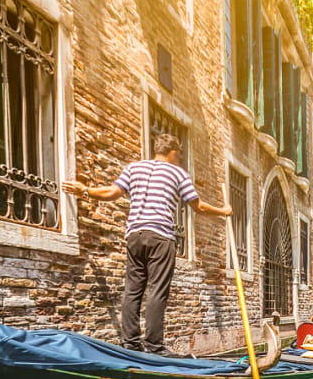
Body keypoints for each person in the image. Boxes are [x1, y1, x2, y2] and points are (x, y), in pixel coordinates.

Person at [61, 134, 231, 354]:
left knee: (133, 291)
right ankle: (154, 346)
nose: (179, 159)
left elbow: (112, 192)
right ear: (172, 153)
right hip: (160, 236)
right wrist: (224, 211)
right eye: (179, 155)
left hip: (135, 235)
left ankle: (130, 344)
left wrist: (85, 190)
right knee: (157, 291)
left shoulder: (134, 168)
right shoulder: (179, 173)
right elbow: (198, 207)